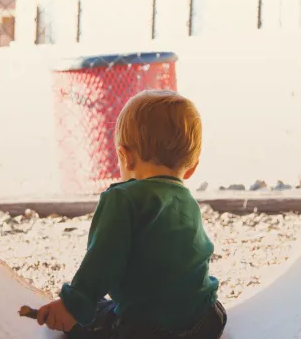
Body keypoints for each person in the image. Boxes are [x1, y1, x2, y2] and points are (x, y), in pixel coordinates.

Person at [37, 90, 227, 339]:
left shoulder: (122, 198)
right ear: (191, 168)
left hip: (148, 330)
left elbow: (103, 261)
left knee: (90, 318)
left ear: (125, 156)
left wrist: (73, 305)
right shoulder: (186, 198)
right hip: (208, 320)